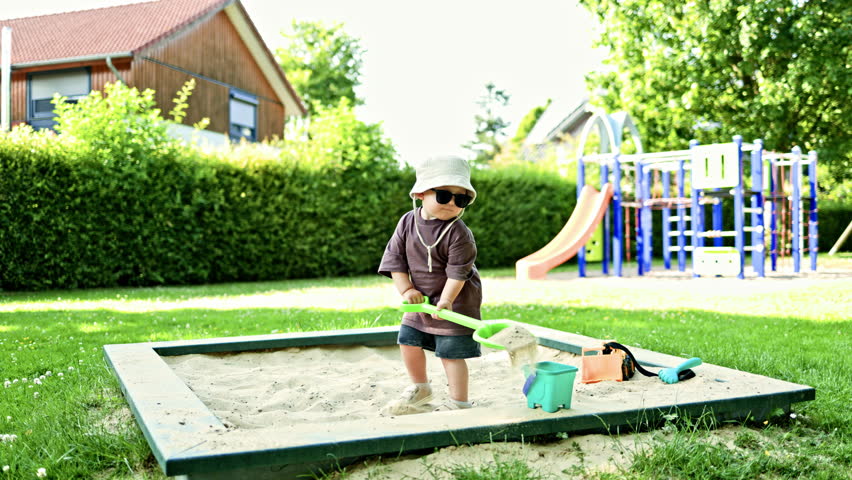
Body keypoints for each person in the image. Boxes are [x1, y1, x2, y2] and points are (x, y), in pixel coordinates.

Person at [378, 155, 482, 413]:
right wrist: (407, 290)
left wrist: (446, 301)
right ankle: (421, 387)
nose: (452, 203)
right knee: (408, 341)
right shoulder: (407, 222)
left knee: (450, 352)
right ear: (421, 193)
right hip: (421, 300)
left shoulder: (459, 233)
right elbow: (395, 260)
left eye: (461, 199)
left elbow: (458, 273)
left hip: (456, 299)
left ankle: (459, 402)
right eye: (445, 195)